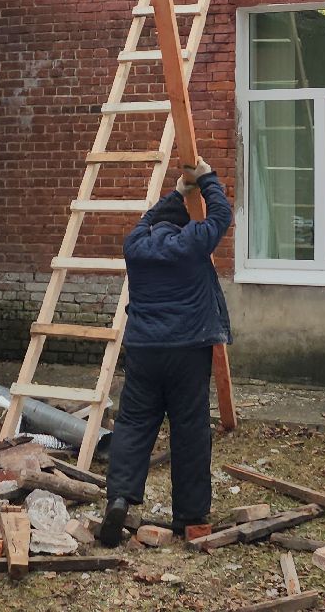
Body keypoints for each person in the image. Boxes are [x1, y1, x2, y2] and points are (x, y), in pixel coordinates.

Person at [98, 158, 233, 547]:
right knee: (190, 430)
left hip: (143, 349)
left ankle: (119, 499)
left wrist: (176, 193)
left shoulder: (135, 245)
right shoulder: (192, 243)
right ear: (183, 225)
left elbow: (147, 217)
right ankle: (192, 520)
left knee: (134, 425)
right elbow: (222, 214)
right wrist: (207, 178)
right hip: (187, 350)